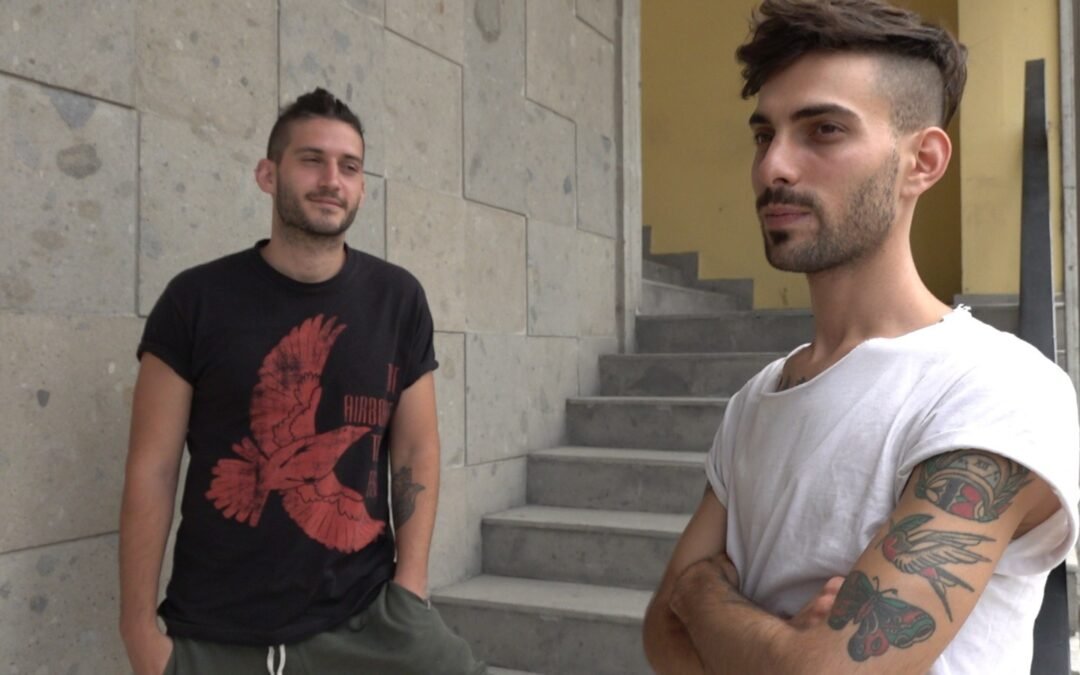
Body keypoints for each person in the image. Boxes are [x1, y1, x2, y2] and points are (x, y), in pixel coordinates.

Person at [642, 1, 1080, 673]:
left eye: (823, 130)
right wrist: (777, 643)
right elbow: (659, 636)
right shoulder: (756, 400)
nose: (773, 166)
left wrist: (700, 592)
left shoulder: (997, 389)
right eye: (764, 134)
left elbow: (825, 668)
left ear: (922, 161)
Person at [118, 88, 484, 675]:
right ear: (268, 174)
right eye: (312, 160)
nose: (332, 180)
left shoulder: (397, 299)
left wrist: (411, 587)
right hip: (217, 633)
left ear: (362, 188)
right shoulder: (195, 300)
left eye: (350, 167)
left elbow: (416, 448)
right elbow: (152, 468)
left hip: (370, 622)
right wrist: (138, 630)